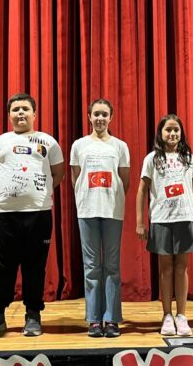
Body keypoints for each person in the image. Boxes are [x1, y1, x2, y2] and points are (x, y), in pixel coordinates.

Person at [0, 93, 65, 337]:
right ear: (9, 115)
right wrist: (9, 194)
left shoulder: (48, 142)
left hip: (38, 215)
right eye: (15, 109)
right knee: (2, 267)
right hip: (4, 214)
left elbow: (58, 174)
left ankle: (33, 314)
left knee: (34, 267)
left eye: (25, 109)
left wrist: (37, 194)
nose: (20, 113)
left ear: (34, 114)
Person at [136, 114, 193, 337]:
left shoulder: (188, 157)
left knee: (181, 268)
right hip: (161, 219)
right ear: (160, 133)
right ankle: (167, 315)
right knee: (166, 268)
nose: (173, 133)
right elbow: (142, 190)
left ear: (181, 133)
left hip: (185, 217)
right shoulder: (151, 159)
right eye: (168, 129)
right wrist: (140, 221)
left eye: (176, 129)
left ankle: (182, 315)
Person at [70, 99, 130, 338]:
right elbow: (76, 177)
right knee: (92, 267)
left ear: (111, 118)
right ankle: (94, 320)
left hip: (112, 211)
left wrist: (111, 198)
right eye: (96, 114)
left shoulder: (120, 146)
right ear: (89, 117)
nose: (100, 118)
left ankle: (112, 319)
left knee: (112, 266)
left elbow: (124, 179)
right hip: (87, 210)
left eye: (104, 114)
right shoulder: (79, 145)